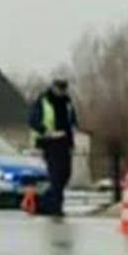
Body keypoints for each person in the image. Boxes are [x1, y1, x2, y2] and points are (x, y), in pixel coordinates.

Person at [28, 78, 79, 218]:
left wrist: (72, 139)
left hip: (65, 142)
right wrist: (47, 131)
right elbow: (33, 120)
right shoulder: (43, 101)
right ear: (53, 88)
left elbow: (72, 121)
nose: (61, 91)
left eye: (64, 89)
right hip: (49, 142)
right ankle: (56, 207)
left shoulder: (67, 102)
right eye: (59, 88)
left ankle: (43, 203)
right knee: (56, 176)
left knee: (65, 175)